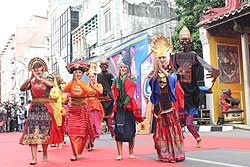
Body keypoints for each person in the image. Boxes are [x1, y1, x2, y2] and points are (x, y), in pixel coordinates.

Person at [172, 26, 219, 148]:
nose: (185, 43)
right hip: (180, 93)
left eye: (187, 40)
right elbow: (171, 71)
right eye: (182, 41)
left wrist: (214, 70)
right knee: (177, 121)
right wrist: (177, 73)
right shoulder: (176, 56)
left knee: (189, 123)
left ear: (191, 41)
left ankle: (198, 139)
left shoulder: (193, 55)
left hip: (191, 94)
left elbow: (204, 64)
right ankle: (177, 142)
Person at [148, 35, 185, 162]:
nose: (162, 60)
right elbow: (150, 83)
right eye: (160, 58)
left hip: (169, 105)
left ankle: (174, 154)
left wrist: (162, 71)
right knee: (159, 131)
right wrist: (157, 69)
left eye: (163, 57)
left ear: (167, 57)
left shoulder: (172, 71)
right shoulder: (154, 72)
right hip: (159, 106)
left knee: (171, 129)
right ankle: (163, 154)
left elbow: (173, 80)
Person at [19, 57, 57, 165]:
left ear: (43, 71)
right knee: (32, 133)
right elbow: (22, 88)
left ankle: (45, 152)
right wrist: (30, 78)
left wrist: (40, 79)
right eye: (36, 72)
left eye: (39, 71)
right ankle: (34, 158)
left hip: (45, 109)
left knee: (44, 133)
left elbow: (51, 85)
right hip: (34, 109)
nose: (38, 74)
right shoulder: (31, 82)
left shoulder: (47, 80)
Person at [112, 46, 144, 160]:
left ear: (128, 68)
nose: (122, 69)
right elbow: (116, 92)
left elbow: (130, 90)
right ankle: (119, 153)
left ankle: (131, 152)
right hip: (120, 108)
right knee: (119, 132)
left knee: (131, 131)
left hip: (129, 107)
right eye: (120, 67)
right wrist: (119, 80)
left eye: (124, 67)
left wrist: (124, 78)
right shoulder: (116, 80)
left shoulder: (132, 79)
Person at [63, 61, 95, 161]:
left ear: (82, 74)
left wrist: (78, 81)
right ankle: (75, 153)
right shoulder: (71, 83)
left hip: (83, 109)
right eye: (75, 72)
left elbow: (89, 91)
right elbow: (64, 90)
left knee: (82, 132)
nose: (77, 74)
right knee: (72, 132)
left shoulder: (85, 83)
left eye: (79, 72)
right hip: (73, 109)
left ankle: (79, 152)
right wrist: (73, 81)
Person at [85, 63, 104, 151]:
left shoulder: (99, 85)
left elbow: (100, 92)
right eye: (90, 77)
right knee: (88, 125)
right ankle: (88, 142)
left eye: (93, 77)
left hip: (96, 106)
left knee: (94, 125)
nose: (91, 78)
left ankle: (92, 142)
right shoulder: (85, 86)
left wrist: (93, 85)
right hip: (87, 105)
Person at [97, 55, 115, 139]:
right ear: (100, 67)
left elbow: (113, 86)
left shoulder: (110, 75)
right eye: (102, 66)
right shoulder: (98, 75)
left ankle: (112, 133)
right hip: (100, 99)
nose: (104, 67)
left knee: (108, 118)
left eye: (105, 66)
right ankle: (97, 132)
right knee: (98, 117)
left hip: (108, 99)